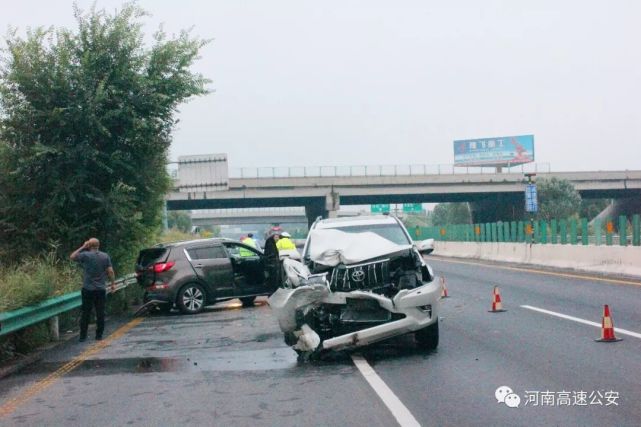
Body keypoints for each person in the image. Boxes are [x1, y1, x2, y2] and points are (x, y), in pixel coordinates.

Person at [70, 238, 115, 342]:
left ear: (89, 245)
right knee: (100, 312)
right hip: (100, 289)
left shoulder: (85, 255)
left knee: (86, 312)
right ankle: (99, 335)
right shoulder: (105, 256)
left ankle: (83, 336)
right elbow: (110, 271)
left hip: (87, 289)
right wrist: (113, 284)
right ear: (99, 245)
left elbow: (72, 256)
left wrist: (82, 246)